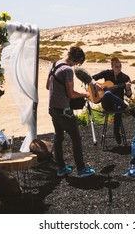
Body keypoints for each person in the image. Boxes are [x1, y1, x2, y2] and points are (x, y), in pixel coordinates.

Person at [46, 46, 95, 178]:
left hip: (52, 107)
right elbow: (71, 93)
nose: (76, 66)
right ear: (75, 59)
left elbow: (47, 86)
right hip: (64, 109)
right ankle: (81, 169)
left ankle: (61, 168)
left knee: (59, 137)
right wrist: (85, 94)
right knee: (76, 138)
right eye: (78, 63)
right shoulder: (67, 70)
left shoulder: (55, 64)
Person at [92, 57, 135, 144]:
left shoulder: (125, 78)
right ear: (112, 67)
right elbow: (92, 78)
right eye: (116, 67)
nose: (119, 68)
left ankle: (116, 132)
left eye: (120, 66)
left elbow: (129, 96)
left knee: (119, 108)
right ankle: (129, 109)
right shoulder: (106, 73)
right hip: (106, 104)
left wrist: (128, 88)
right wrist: (96, 85)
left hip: (119, 105)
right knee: (107, 94)